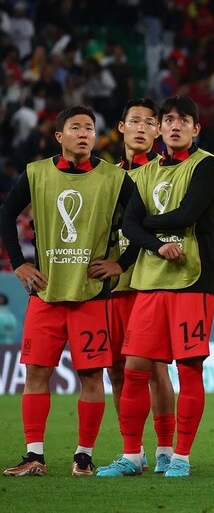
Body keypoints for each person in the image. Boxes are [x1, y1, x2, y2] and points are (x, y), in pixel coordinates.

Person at [0, 106, 136, 476]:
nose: (83, 133)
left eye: (89, 128)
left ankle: (83, 456)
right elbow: (5, 214)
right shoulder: (36, 173)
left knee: (91, 377)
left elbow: (141, 224)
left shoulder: (114, 177)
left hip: (91, 295)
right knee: (36, 373)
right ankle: (34, 456)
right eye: (75, 128)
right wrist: (19, 262)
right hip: (46, 293)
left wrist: (121, 264)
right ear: (59, 137)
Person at [98, 95, 214, 478]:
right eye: (168, 120)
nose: (174, 126)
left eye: (182, 121)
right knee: (135, 368)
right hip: (150, 280)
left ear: (195, 129)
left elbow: (186, 214)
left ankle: (180, 457)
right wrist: (157, 242)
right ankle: (132, 455)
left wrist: (145, 226)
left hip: (193, 281)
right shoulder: (143, 173)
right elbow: (128, 227)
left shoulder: (207, 166)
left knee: (189, 369)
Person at [105, 98, 176, 474]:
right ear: (121, 127)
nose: (143, 128)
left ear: (158, 131)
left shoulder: (166, 174)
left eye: (151, 122)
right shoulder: (107, 176)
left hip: (150, 280)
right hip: (112, 286)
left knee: (154, 368)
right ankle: (132, 448)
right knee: (116, 369)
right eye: (136, 121)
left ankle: (165, 448)